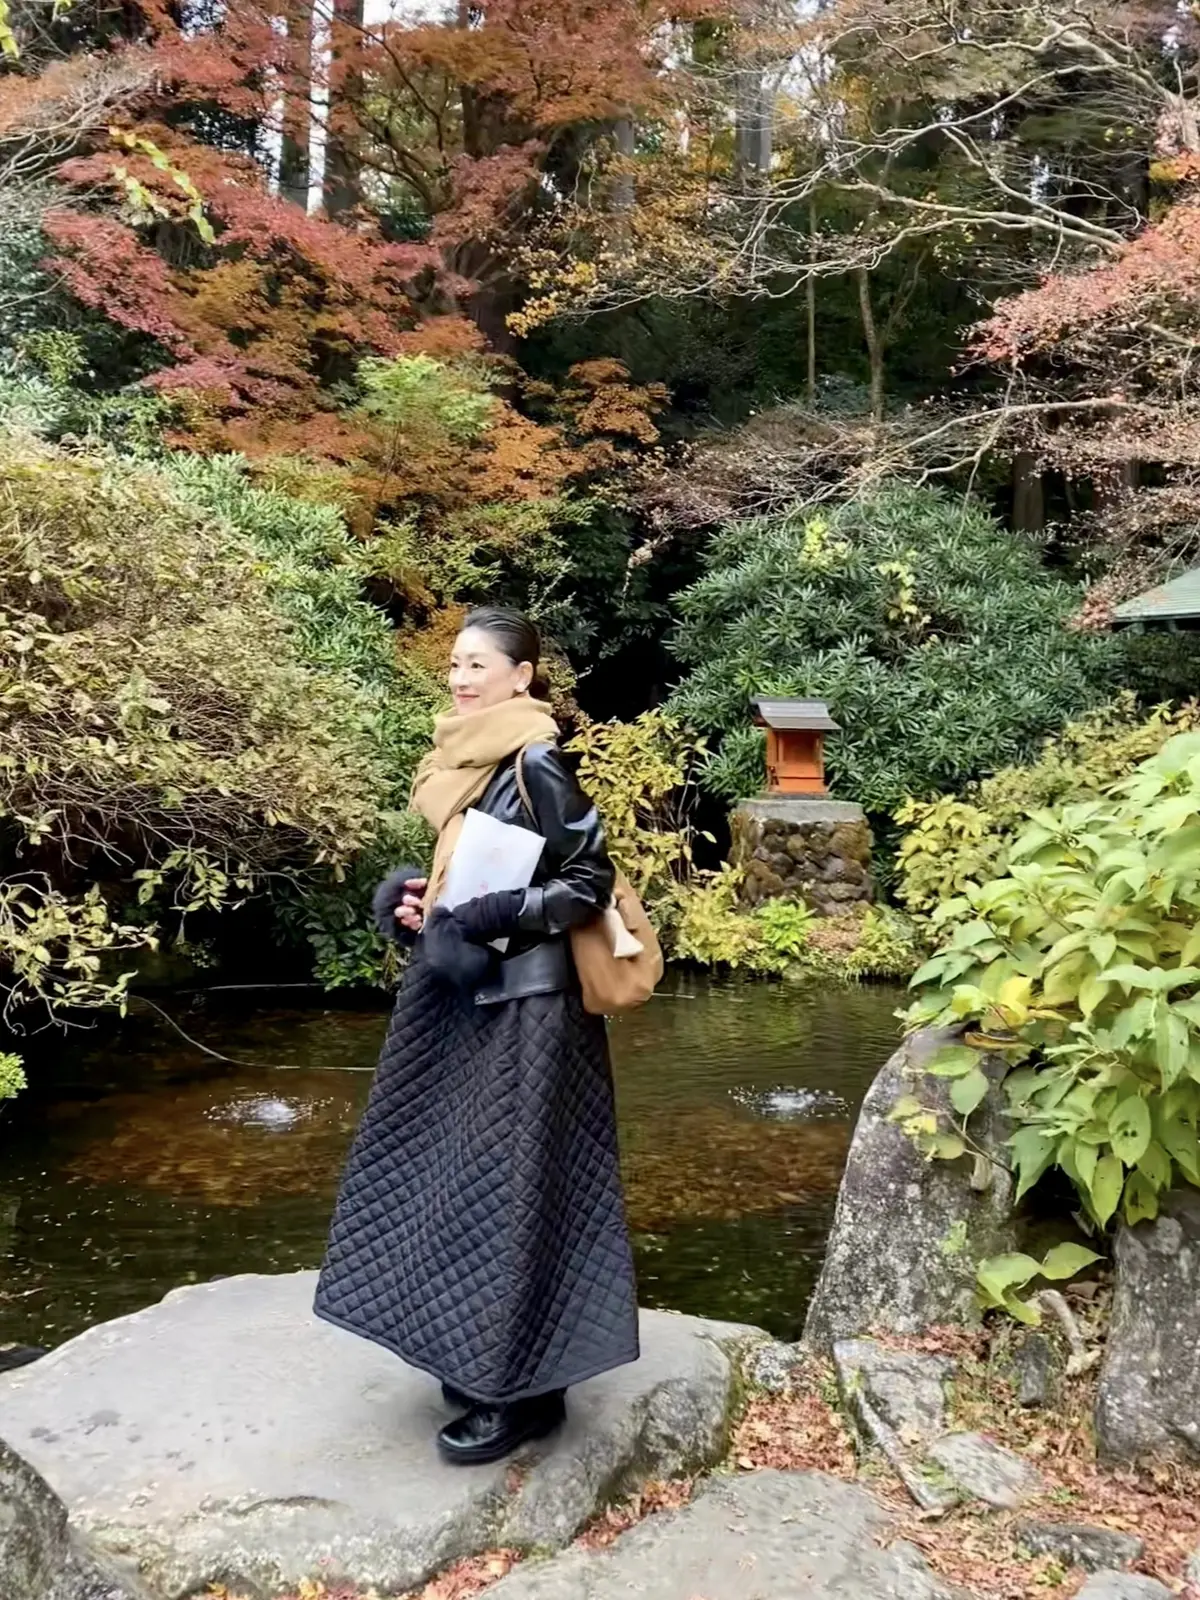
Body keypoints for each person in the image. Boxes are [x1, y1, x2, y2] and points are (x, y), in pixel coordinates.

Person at [314, 606, 640, 1465]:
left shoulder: (534, 759)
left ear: (521, 678)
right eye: (453, 664)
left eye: (477, 666)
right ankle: (483, 1359)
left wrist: (496, 910)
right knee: (451, 1173)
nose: (459, 679)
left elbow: (586, 882)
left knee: (516, 1182)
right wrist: (420, 901)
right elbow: (478, 872)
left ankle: (522, 1394)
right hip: (463, 993)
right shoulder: (464, 762)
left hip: (530, 1007)